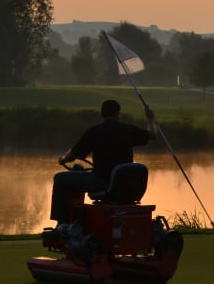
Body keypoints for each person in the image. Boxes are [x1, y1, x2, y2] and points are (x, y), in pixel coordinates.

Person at [47, 99, 157, 231]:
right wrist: (150, 118)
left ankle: (63, 223)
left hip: (102, 182)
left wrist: (63, 159)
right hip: (124, 186)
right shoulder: (128, 130)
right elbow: (152, 135)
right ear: (118, 113)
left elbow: (73, 154)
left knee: (60, 178)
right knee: (79, 174)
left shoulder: (94, 132)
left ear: (101, 114)